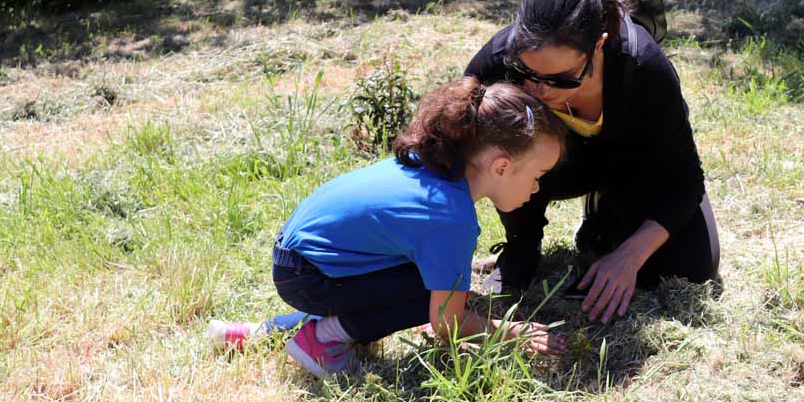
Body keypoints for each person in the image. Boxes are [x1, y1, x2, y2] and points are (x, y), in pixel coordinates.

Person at [212, 78, 568, 377]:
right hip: (309, 274)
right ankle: (321, 339)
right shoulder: (452, 218)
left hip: (297, 257)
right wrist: (511, 332)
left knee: (436, 286)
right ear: (502, 167)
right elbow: (446, 323)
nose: (537, 189)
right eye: (537, 176)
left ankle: (261, 333)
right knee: (428, 294)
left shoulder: (433, 163)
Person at [465, 0, 720, 325]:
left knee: (693, 268)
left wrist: (630, 256)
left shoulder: (644, 69)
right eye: (526, 72)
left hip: (631, 167)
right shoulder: (496, 63)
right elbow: (454, 155)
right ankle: (523, 245)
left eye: (561, 79)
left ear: (599, 45)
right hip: (550, 172)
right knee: (501, 150)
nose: (538, 90)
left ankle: (606, 216)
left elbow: (685, 182)